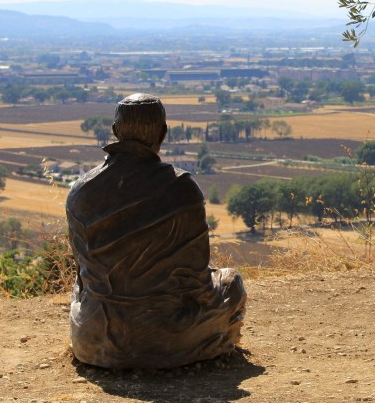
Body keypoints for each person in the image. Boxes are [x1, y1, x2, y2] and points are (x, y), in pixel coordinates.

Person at [66, 93, 245, 368]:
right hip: (162, 335)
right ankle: (216, 344)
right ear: (163, 132)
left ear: (115, 132)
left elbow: (82, 277)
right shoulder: (181, 188)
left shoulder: (80, 190)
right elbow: (196, 281)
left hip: (91, 337)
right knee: (231, 283)